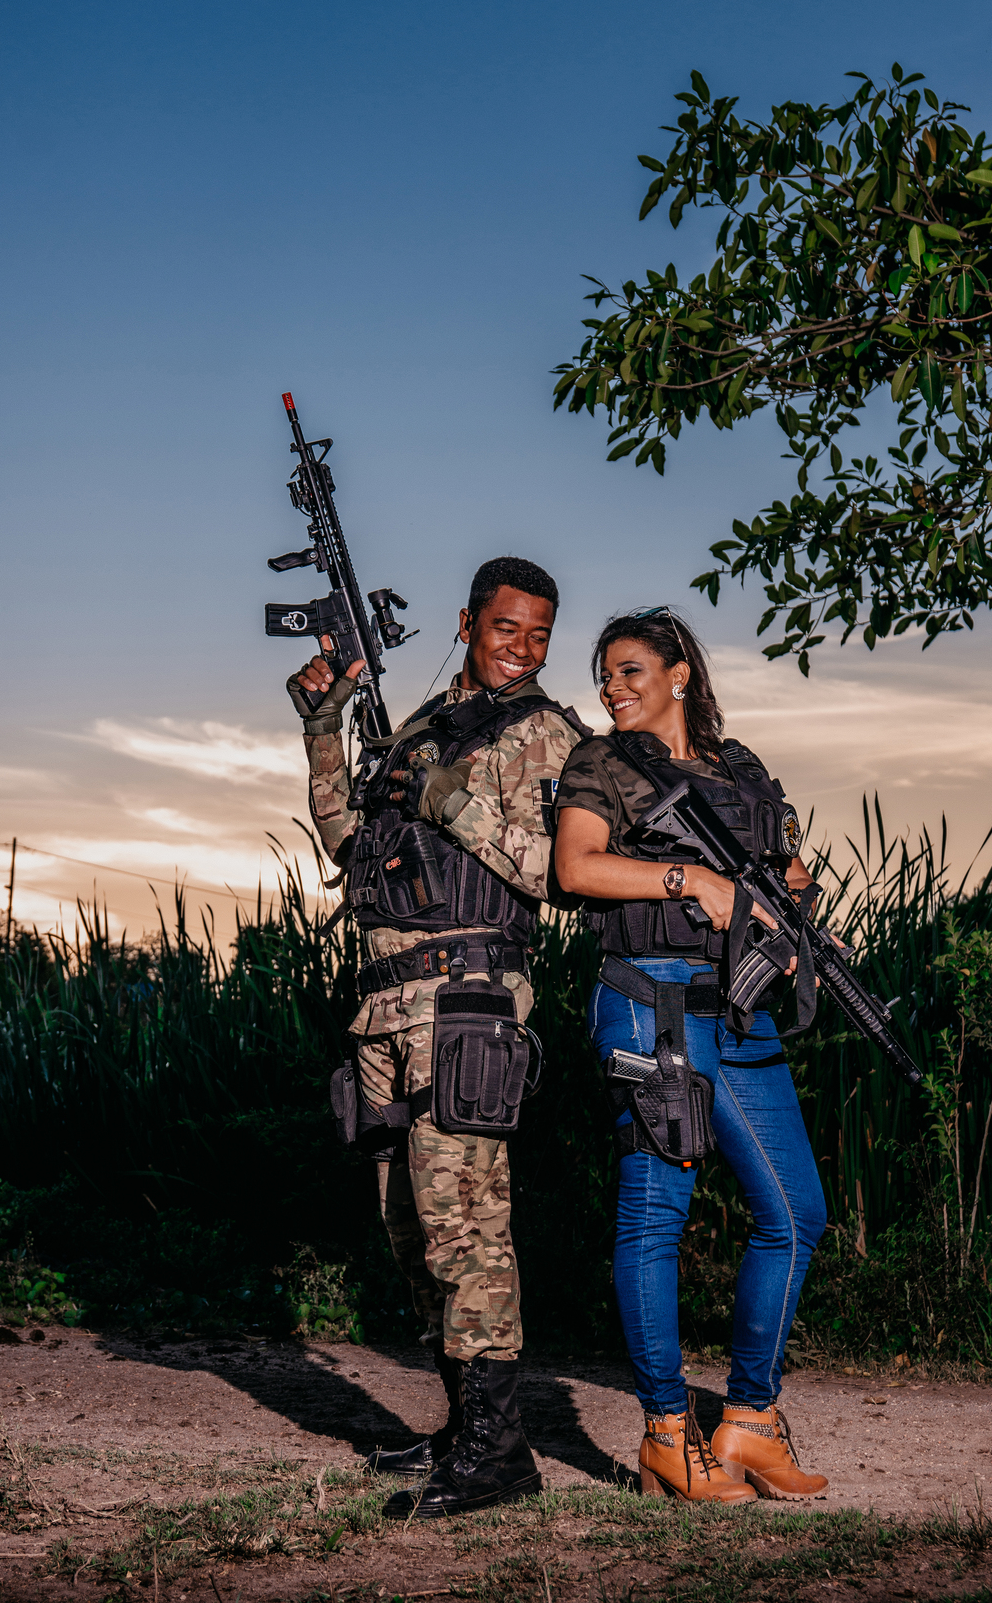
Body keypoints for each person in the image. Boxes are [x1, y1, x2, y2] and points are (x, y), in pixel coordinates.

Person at [289, 555, 587, 1518]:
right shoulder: (421, 728)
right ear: (467, 624)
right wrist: (323, 727)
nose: (523, 649)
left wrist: (452, 800)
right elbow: (348, 843)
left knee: (466, 1227)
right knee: (409, 1228)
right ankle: (465, 1429)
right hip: (384, 1006)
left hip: (466, 1000)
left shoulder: (545, 734)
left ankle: (501, 1454)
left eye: (540, 635)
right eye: (506, 628)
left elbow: (560, 874)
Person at [553, 609, 829, 1505]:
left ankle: (750, 1420)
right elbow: (577, 869)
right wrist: (690, 878)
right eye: (605, 674)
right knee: (655, 1215)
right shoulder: (600, 763)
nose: (612, 687)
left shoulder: (742, 769)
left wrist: (793, 917)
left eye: (630, 670)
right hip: (651, 1001)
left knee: (796, 1212)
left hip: (740, 1008)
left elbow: (789, 871)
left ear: (680, 674)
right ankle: (667, 1435)